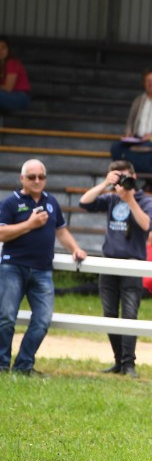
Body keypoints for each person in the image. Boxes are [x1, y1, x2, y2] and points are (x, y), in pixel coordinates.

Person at [0, 159, 87, 375]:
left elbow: (61, 231)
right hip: (13, 267)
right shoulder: (10, 203)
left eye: (41, 176)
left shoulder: (52, 202)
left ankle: (23, 365)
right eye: (31, 177)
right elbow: (1, 233)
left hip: (42, 270)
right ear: (22, 179)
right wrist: (29, 224)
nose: (37, 180)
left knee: (42, 320)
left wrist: (75, 249)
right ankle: (1, 365)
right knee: (6, 317)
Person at [79, 160, 152, 378]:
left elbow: (147, 225)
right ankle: (118, 361)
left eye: (126, 177)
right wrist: (105, 183)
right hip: (109, 262)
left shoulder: (145, 200)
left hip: (132, 264)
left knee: (130, 315)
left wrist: (130, 198)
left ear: (134, 176)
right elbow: (84, 202)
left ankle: (129, 364)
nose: (122, 182)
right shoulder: (111, 197)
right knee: (110, 314)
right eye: (118, 177)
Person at [110, 68, 152, 185]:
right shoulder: (138, 101)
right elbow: (130, 121)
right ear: (144, 83)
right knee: (116, 148)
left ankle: (149, 182)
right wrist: (129, 133)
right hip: (137, 138)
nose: (151, 84)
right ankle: (123, 180)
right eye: (148, 81)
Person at [0, 37, 32, 112]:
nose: (0, 51)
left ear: (8, 49)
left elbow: (8, 88)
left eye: (3, 47)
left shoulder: (12, 63)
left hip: (20, 97)